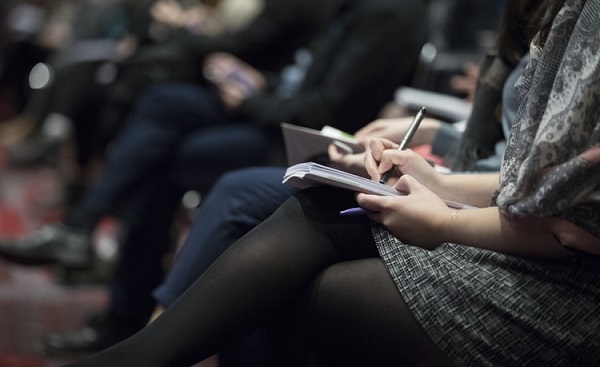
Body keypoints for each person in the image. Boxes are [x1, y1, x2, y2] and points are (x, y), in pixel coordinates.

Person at [58, 0, 600, 365]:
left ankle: (137, 340)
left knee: (285, 258)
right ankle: (133, 332)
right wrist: (440, 180)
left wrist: (442, 212)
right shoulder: (556, 13)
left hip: (563, 285)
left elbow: (565, 223)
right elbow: (524, 180)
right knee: (261, 180)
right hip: (493, 205)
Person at [0, 0, 430, 355]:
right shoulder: (349, 8)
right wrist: (258, 84)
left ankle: (135, 325)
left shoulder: (388, 13)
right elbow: (300, 78)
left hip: (311, 143)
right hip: (274, 114)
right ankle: (120, 298)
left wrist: (250, 96)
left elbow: (322, 112)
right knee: (162, 103)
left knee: (172, 156)